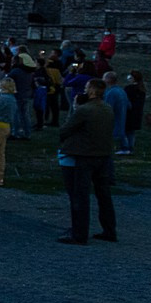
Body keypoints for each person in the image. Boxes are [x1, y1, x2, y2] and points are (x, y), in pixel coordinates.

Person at [56, 84, 120, 244]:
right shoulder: (107, 108)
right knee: (104, 195)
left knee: (80, 195)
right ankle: (109, 230)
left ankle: (79, 233)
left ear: (91, 90)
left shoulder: (84, 110)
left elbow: (65, 130)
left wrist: (75, 108)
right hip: (103, 155)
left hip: (85, 155)